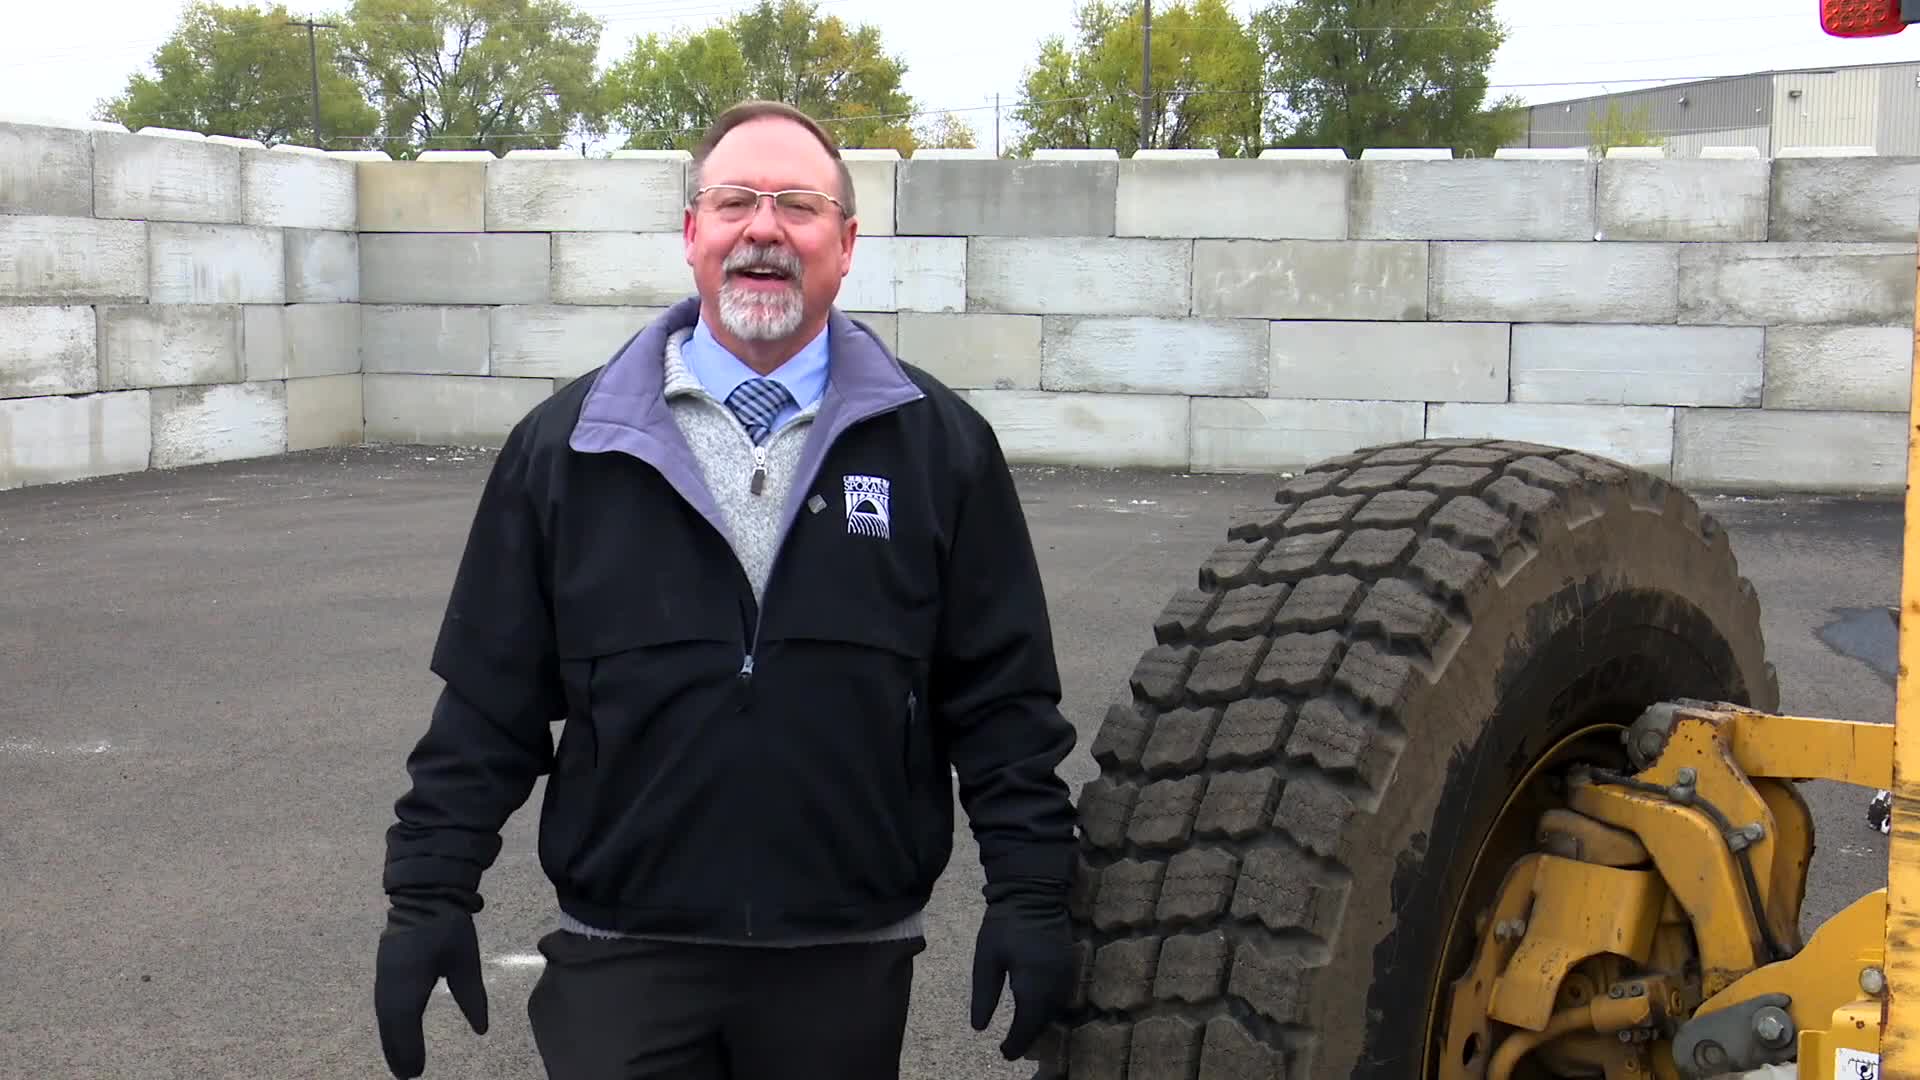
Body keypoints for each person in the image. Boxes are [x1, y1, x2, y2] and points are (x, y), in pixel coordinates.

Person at [371, 99, 1081, 1080]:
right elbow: (489, 708)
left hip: (843, 957)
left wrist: (1033, 895)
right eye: (736, 200)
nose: (764, 226)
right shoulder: (568, 448)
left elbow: (1003, 706)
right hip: (623, 960)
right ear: (693, 234)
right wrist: (428, 897)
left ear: (845, 242)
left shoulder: (939, 448)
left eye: (798, 204)